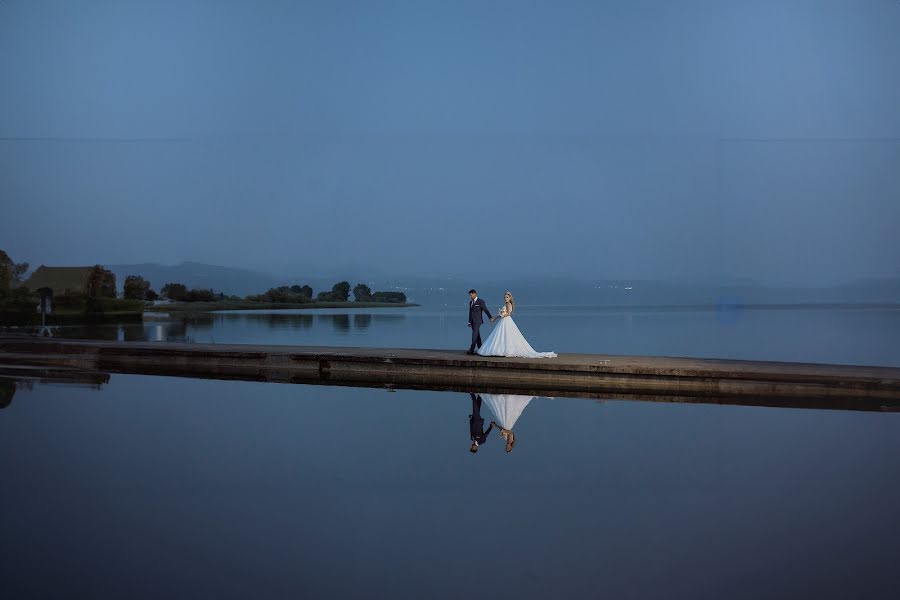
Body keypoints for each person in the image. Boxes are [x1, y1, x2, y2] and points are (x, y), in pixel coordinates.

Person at [477, 291, 557, 358]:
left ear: (510, 298)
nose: (505, 298)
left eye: (507, 297)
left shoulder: (508, 304)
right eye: (505, 297)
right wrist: (496, 317)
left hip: (506, 320)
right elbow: (504, 313)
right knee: (502, 336)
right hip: (504, 320)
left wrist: (502, 314)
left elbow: (508, 314)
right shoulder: (506, 304)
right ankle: (502, 350)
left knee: (507, 336)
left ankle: (506, 350)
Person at [466, 289, 493, 355]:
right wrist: (469, 322)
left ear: (475, 294)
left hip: (478, 321)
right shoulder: (471, 302)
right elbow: (470, 313)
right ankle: (481, 348)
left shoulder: (480, 301)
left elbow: (485, 310)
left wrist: (490, 317)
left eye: (471, 295)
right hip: (472, 321)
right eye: (469, 295)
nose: (470, 296)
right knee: (477, 336)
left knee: (474, 335)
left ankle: (471, 350)